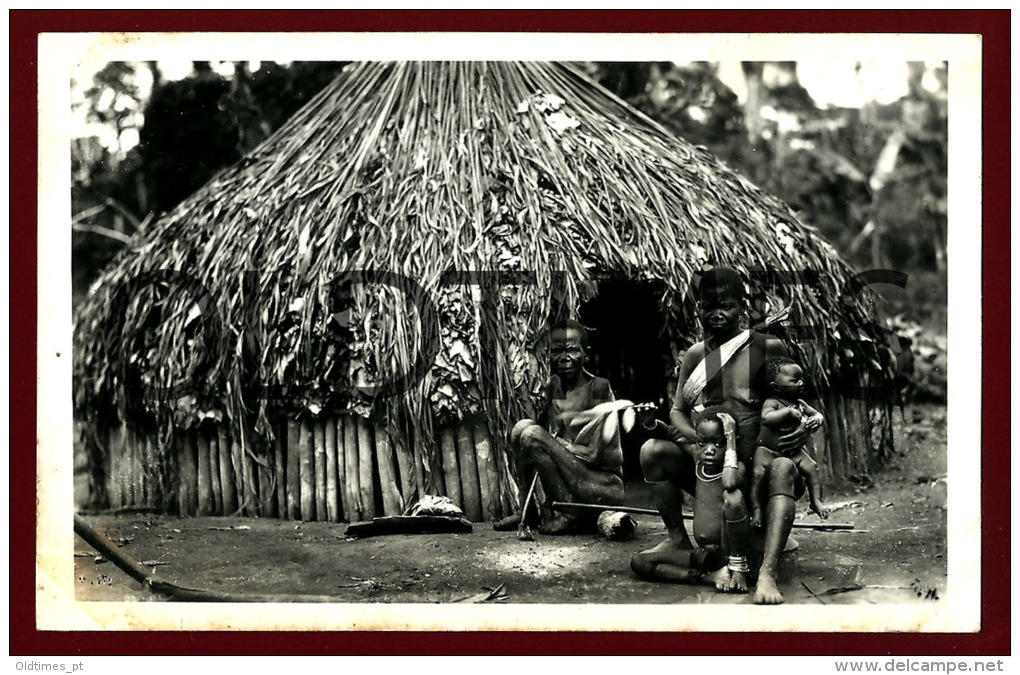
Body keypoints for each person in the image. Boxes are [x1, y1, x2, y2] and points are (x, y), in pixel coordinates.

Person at [633, 267, 809, 604]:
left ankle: (768, 573)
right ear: (698, 308)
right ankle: (676, 539)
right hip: (715, 466)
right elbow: (677, 411)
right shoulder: (697, 356)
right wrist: (697, 444)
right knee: (651, 451)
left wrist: (800, 429)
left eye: (726, 306)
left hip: (760, 469)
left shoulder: (766, 347)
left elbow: (796, 402)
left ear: (742, 306)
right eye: (707, 306)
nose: (716, 314)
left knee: (785, 468)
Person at [495, 319, 627, 535]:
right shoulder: (554, 386)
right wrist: (549, 444)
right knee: (522, 428)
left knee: (533, 435)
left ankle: (570, 513)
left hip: (602, 484)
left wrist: (549, 443)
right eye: (557, 351)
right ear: (549, 354)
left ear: (586, 354)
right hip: (573, 475)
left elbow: (593, 454)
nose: (564, 358)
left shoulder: (598, 389)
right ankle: (527, 510)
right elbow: (557, 438)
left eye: (572, 350)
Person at [630, 412, 752, 592]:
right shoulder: (698, 459)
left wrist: (731, 438)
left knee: (733, 497)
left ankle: (734, 571)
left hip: (729, 555)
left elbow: (730, 482)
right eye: (702, 443)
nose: (709, 450)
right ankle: (709, 577)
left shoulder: (735, 468)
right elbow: (672, 433)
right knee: (639, 562)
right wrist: (650, 423)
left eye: (718, 444)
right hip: (704, 555)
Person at [752, 357, 828, 527]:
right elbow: (766, 418)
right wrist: (786, 412)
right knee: (757, 475)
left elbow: (816, 414)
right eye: (795, 380)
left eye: (801, 379)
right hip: (767, 450)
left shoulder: (800, 404)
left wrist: (817, 419)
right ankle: (757, 509)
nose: (801, 383)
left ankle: (815, 501)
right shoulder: (773, 403)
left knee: (812, 467)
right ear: (775, 387)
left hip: (791, 451)